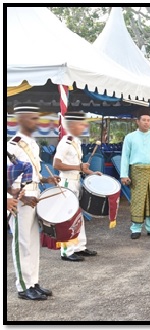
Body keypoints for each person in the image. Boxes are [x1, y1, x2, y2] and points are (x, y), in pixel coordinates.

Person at [7, 103, 60, 300]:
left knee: (33, 242)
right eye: (33, 118)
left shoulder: (32, 143)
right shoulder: (13, 145)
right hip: (20, 200)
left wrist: (46, 179)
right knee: (21, 243)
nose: (37, 121)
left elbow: (32, 174)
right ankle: (22, 286)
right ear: (21, 120)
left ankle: (33, 282)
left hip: (34, 196)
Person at [53, 111, 102, 262]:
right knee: (68, 216)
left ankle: (80, 246)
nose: (84, 126)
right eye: (81, 123)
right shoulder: (65, 142)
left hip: (75, 181)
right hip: (67, 182)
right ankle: (66, 251)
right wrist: (79, 166)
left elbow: (79, 167)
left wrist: (92, 173)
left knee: (78, 216)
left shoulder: (76, 142)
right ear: (72, 125)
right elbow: (57, 164)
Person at [120, 110, 150, 239]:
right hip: (137, 171)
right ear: (138, 121)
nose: (146, 122)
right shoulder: (130, 137)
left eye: (148, 120)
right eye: (144, 120)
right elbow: (125, 157)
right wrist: (124, 174)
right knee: (138, 200)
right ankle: (136, 229)